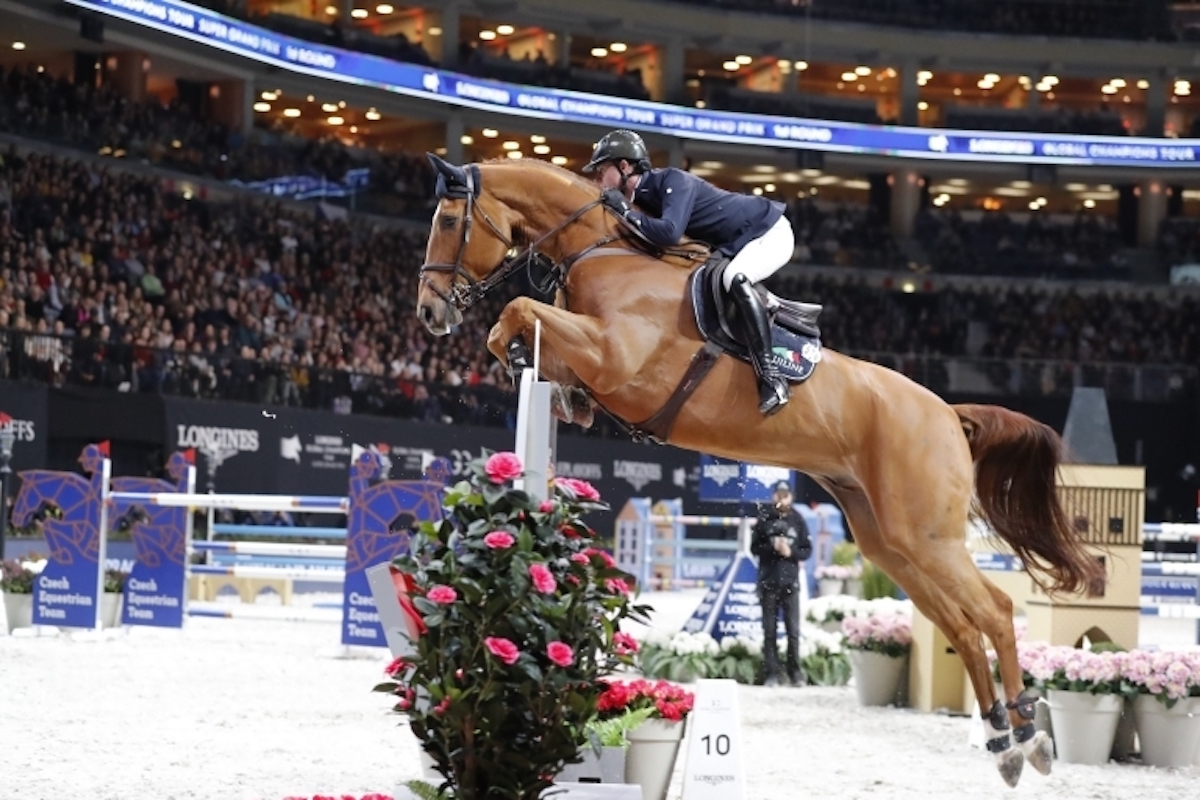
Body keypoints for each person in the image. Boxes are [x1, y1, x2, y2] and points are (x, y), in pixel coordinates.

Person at [582, 129, 796, 416]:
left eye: (601, 170)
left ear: (624, 166)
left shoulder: (672, 180)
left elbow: (669, 233)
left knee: (734, 277)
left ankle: (772, 377)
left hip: (768, 230)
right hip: (735, 243)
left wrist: (626, 212)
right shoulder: (641, 199)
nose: (597, 180)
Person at [750, 480, 812, 687]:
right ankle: (771, 674)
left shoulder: (798, 520)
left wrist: (790, 552)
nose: (782, 498)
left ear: (791, 497)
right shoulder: (764, 518)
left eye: (785, 495)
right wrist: (772, 547)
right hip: (768, 582)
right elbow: (754, 548)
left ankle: (795, 673)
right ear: (773, 496)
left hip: (791, 584)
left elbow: (807, 550)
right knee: (770, 631)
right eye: (778, 495)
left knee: (793, 632)